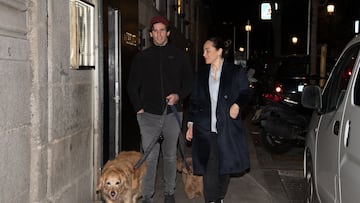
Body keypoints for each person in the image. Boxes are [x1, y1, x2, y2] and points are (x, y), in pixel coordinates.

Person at [127, 15, 193, 203]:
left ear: (168, 33)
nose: (158, 34)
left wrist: (178, 95)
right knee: (150, 157)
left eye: (162, 30)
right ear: (150, 34)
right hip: (148, 116)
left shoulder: (180, 56)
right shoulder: (142, 57)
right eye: (155, 31)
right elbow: (132, 86)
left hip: (172, 115)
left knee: (171, 155)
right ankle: (147, 196)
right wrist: (139, 109)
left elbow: (189, 82)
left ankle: (169, 192)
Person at [185, 37, 253, 203]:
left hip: (227, 128)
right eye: (203, 50)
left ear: (219, 51)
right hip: (205, 129)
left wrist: (237, 104)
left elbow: (247, 92)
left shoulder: (235, 72)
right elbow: (194, 101)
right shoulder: (201, 74)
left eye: (207, 50)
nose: (204, 54)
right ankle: (212, 200)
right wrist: (190, 125)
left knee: (225, 167)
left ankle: (219, 196)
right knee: (210, 166)